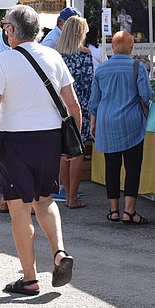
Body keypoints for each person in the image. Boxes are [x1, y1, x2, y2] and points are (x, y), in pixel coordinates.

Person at [0, 4, 79, 295]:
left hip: (15, 141)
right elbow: (72, 104)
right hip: (49, 139)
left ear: (11, 30)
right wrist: (72, 142)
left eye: (4, 26)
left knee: (19, 209)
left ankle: (29, 277)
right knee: (46, 200)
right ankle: (59, 252)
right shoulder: (53, 56)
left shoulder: (3, 61)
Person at [88, 31, 154, 224]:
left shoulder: (101, 69)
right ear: (131, 47)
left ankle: (114, 210)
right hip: (132, 122)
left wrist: (93, 122)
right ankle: (130, 211)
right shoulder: (137, 67)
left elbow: (94, 101)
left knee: (112, 166)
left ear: (112, 48)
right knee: (133, 167)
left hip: (107, 122)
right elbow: (146, 94)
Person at [54, 16, 94, 209]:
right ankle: (72, 197)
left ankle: (65, 192)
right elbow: (89, 84)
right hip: (80, 107)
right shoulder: (85, 55)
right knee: (77, 151)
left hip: (59, 109)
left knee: (63, 152)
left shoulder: (55, 55)